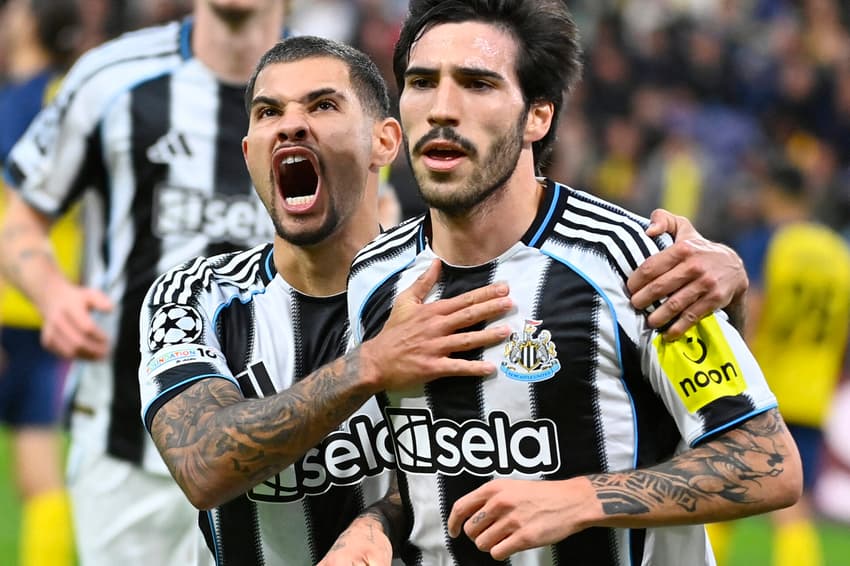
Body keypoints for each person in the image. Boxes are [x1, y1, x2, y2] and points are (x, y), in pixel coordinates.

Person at [138, 34, 753, 566]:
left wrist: (726, 293)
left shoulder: (471, 284)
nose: (291, 124)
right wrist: (372, 365)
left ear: (387, 141)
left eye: (323, 105)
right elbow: (203, 464)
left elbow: (475, 465)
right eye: (268, 112)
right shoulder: (193, 296)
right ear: (249, 152)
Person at [331, 1, 803, 564]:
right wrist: (371, 525)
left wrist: (580, 500)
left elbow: (766, 461)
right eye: (422, 82)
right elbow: (415, 484)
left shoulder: (633, 261)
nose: (442, 109)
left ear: (538, 116)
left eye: (477, 84)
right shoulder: (374, 276)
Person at [0, 1, 293, 564]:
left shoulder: (337, 81)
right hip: (126, 448)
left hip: (284, 453)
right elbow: (23, 214)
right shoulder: (109, 78)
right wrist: (52, 295)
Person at [712, 159, 850, 566]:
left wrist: (732, 374)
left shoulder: (769, 242)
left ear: (772, 193)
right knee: (774, 496)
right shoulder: (838, 252)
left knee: (729, 484)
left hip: (764, 385)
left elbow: (752, 310)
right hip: (814, 390)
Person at [0, 1, 81, 565]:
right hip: (50, 311)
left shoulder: (20, 105)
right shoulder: (70, 99)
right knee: (41, 478)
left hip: (11, 309)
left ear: (29, 24)